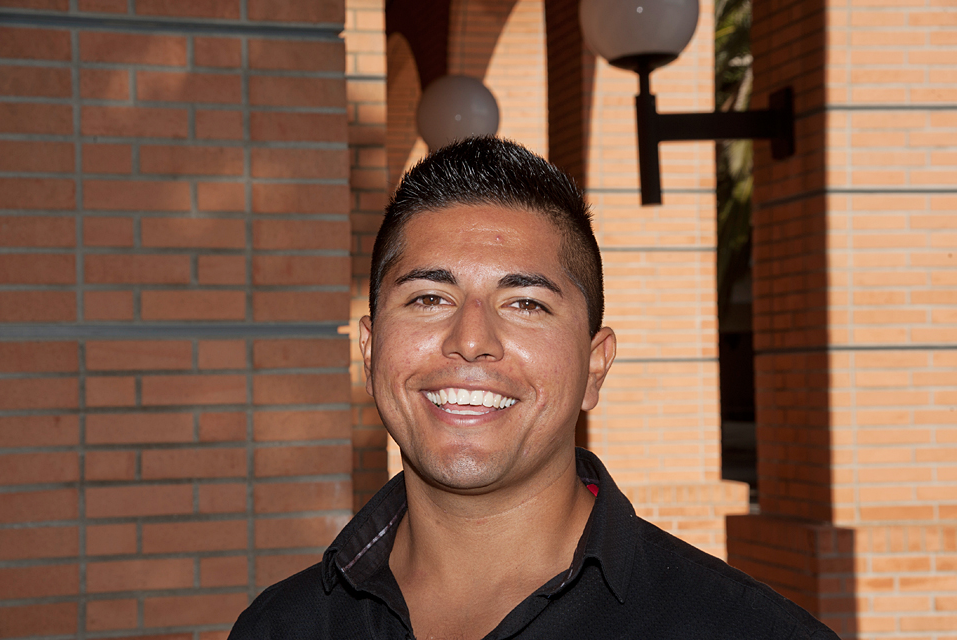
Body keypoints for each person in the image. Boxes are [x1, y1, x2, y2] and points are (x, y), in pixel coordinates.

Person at [228, 137, 839, 639]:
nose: (470, 339)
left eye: (525, 303)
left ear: (594, 368)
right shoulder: (279, 628)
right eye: (429, 297)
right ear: (369, 350)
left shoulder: (747, 631)